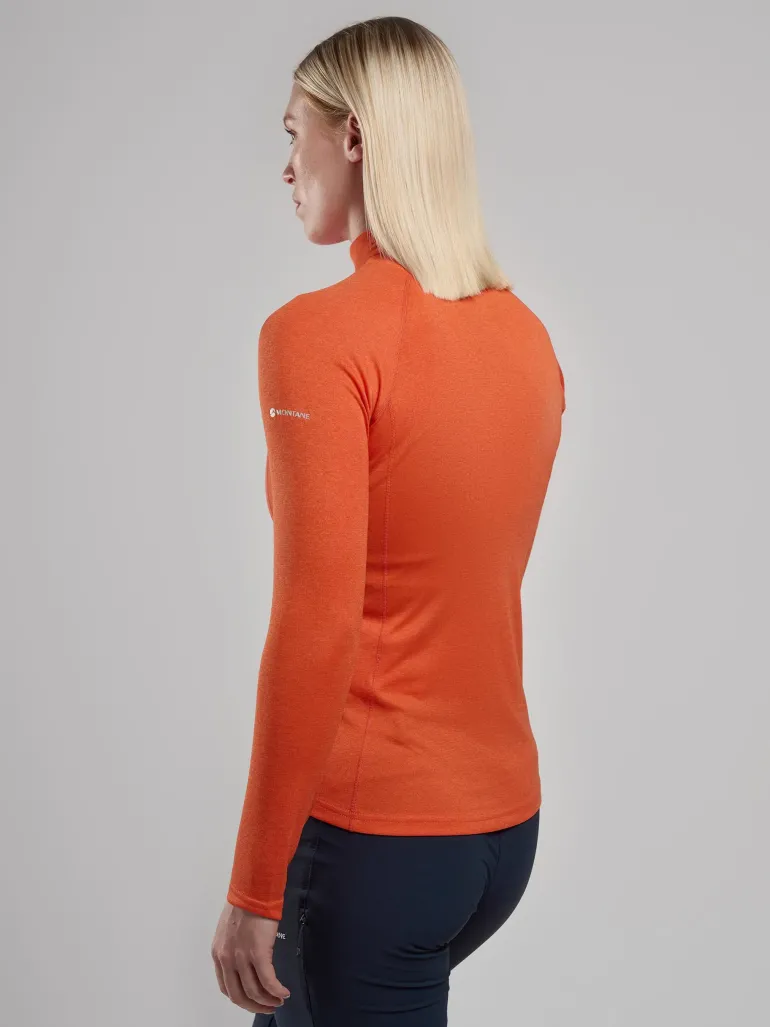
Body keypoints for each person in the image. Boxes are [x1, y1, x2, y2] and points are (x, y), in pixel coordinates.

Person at [211, 15, 566, 1026]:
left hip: (376, 846)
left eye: (295, 133)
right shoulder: (526, 335)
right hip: (500, 831)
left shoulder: (316, 337)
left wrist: (253, 888)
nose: (287, 166)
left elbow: (316, 623)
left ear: (355, 136)